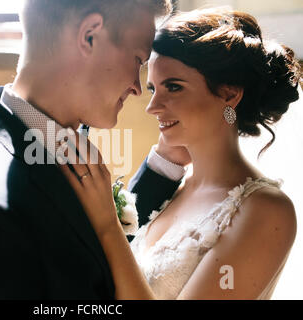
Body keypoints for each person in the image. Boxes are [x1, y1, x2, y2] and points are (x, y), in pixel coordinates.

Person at [0, 0, 184, 299]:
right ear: (89, 35)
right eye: (137, 59)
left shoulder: (57, 143)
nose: (136, 86)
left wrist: (166, 162)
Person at [60, 7, 301, 299]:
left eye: (173, 87)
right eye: (153, 89)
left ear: (229, 94)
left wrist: (108, 225)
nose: (153, 106)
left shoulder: (266, 210)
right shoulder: (173, 187)